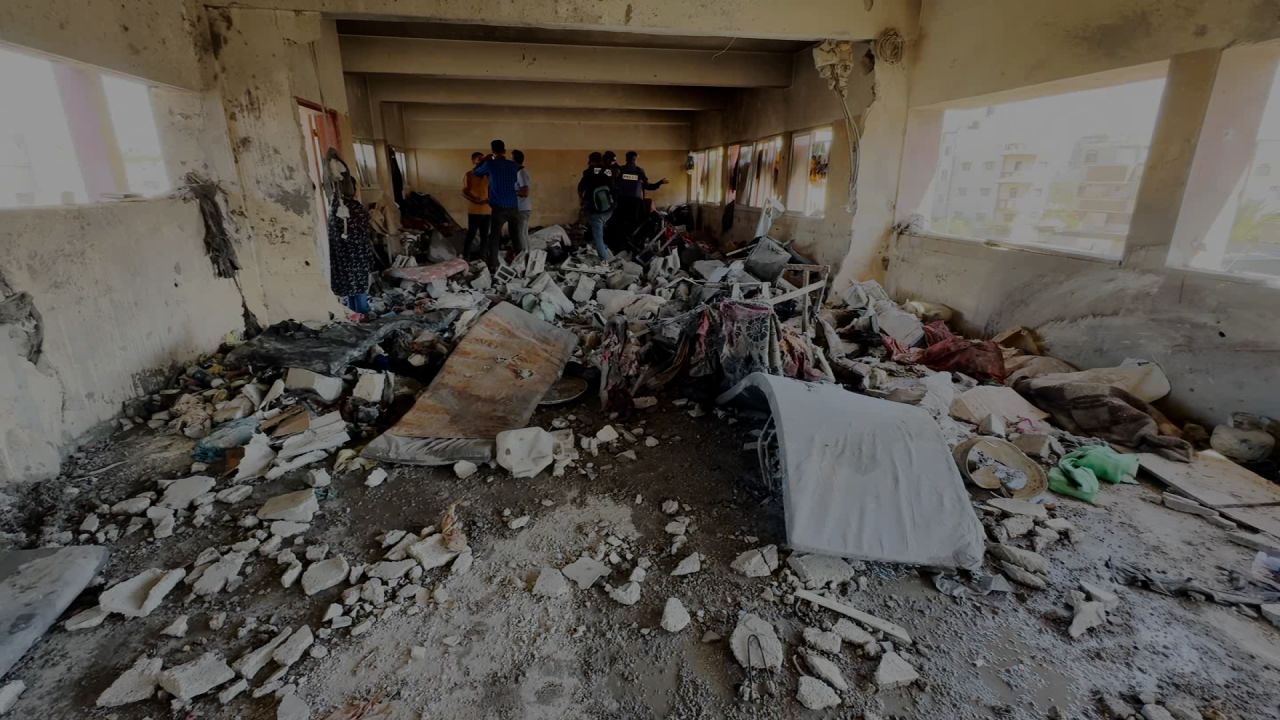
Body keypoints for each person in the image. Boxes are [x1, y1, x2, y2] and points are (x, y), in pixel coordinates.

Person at [328, 173, 373, 320]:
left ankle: (353, 314)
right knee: (358, 284)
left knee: (349, 286)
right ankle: (362, 314)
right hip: (355, 253)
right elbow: (365, 224)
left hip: (340, 254)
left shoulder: (334, 206)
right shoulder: (353, 207)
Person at [471, 139, 521, 270]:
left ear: (493, 151)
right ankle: (521, 264)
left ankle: (493, 265)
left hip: (499, 207)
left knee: (495, 237)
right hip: (514, 205)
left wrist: (484, 160)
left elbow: (475, 173)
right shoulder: (513, 165)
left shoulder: (490, 164)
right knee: (516, 237)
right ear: (504, 150)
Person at [615, 150, 667, 240]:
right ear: (635, 159)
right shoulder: (639, 171)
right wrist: (660, 183)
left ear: (626, 159)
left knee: (622, 224)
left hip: (622, 202)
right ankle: (634, 243)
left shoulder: (621, 170)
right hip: (635, 204)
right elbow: (648, 186)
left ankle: (623, 244)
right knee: (635, 225)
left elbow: (614, 185)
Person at [577, 151, 616, 260]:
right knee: (601, 231)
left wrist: (581, 200)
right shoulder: (609, 171)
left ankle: (605, 260)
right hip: (609, 209)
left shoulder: (588, 172)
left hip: (595, 210)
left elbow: (580, 189)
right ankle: (605, 250)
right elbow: (614, 188)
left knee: (597, 235)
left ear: (590, 161)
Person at [462, 152, 490, 259]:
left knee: (485, 236)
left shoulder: (488, 175)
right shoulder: (469, 174)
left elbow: (492, 190)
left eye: (483, 160)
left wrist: (489, 200)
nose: (481, 161)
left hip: (487, 211)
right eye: (478, 159)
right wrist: (475, 200)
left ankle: (482, 257)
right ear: (473, 161)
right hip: (474, 211)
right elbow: (464, 192)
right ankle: (466, 256)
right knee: (471, 235)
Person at [513, 149, 532, 253]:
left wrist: (512, 193)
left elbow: (525, 192)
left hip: (522, 208)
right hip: (524, 208)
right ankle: (528, 254)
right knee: (524, 233)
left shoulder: (521, 173)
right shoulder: (521, 172)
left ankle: (523, 256)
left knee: (520, 233)